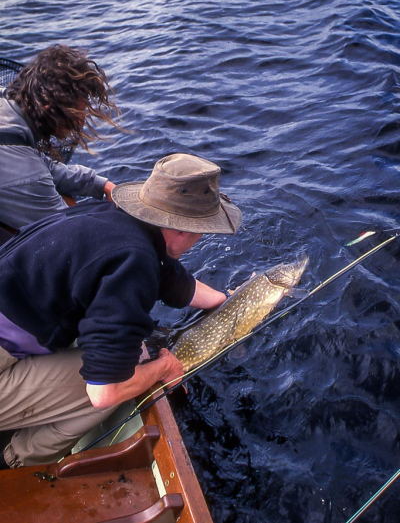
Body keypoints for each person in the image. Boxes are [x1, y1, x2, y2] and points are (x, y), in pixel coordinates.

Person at [0, 152, 242, 469]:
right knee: (117, 383)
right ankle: (13, 463)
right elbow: (104, 392)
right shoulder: (135, 262)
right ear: (184, 229)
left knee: (128, 358)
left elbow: (168, 276)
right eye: (203, 230)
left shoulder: (109, 218)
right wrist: (164, 369)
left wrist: (225, 299)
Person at [0, 44, 119, 231]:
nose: (80, 124)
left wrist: (101, 185)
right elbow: (68, 234)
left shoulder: (7, 113)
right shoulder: (28, 174)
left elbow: (39, 164)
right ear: (50, 110)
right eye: (76, 114)